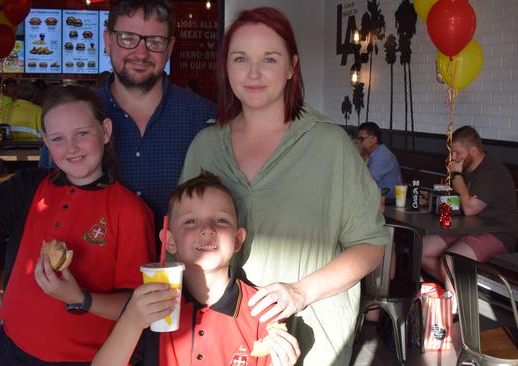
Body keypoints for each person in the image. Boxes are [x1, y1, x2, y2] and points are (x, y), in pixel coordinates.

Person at [179, 7, 388, 366]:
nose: (254, 72)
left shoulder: (329, 145)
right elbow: (179, 240)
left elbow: (370, 245)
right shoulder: (205, 145)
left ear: (292, 66)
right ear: (225, 67)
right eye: (240, 58)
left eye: (270, 59)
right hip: (217, 342)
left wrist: (299, 292)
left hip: (310, 341)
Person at [0, 85, 156, 364]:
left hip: (88, 358)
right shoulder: (30, 187)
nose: (72, 148)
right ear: (45, 141)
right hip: (11, 349)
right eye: (58, 138)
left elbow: (136, 305)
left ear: (105, 131)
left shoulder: (130, 211)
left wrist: (80, 297)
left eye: (82, 133)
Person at [39, 0, 216, 235]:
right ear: (107, 41)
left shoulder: (205, 118)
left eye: (155, 42)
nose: (141, 53)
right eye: (127, 38)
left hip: (180, 270)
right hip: (86, 269)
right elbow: (46, 202)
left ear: (170, 47)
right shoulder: (69, 118)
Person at [93, 171, 300, 366]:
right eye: (191, 221)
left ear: (238, 240)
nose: (207, 230)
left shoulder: (261, 310)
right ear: (169, 241)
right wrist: (131, 321)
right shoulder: (149, 302)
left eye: (221, 220)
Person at [421, 125, 518, 293]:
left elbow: (470, 209)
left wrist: (456, 176)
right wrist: (432, 200)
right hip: (469, 228)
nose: (453, 157)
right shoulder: (467, 168)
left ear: (473, 151)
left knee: (451, 260)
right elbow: (460, 202)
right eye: (452, 152)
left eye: (458, 153)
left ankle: (455, 309)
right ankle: (459, 293)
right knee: (421, 249)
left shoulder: (492, 171)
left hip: (499, 233)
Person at [356, 121, 402, 199]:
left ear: (374, 140)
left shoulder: (383, 156)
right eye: (358, 139)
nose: (358, 142)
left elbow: (367, 182)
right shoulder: (367, 153)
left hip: (389, 200)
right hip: (374, 195)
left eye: (361, 139)